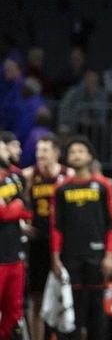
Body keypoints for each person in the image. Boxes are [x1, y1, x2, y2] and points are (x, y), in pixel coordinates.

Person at [50, 136, 112, 340]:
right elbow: (56, 226)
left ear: (90, 156)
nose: (76, 155)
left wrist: (110, 255)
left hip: (97, 256)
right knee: (72, 309)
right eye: (72, 152)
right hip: (70, 256)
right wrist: (55, 257)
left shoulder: (103, 185)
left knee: (97, 309)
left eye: (80, 151)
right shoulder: (61, 189)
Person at [22, 134, 72, 340]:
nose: (39, 154)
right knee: (37, 297)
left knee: (66, 296)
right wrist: (21, 223)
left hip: (63, 242)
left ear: (56, 153)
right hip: (38, 241)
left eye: (44, 150)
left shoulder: (68, 174)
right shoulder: (29, 175)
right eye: (37, 150)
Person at [0, 139, 32, 339]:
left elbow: (28, 209)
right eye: (3, 147)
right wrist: (16, 207)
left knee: (14, 311)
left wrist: (13, 207)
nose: (7, 151)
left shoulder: (16, 176)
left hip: (14, 255)